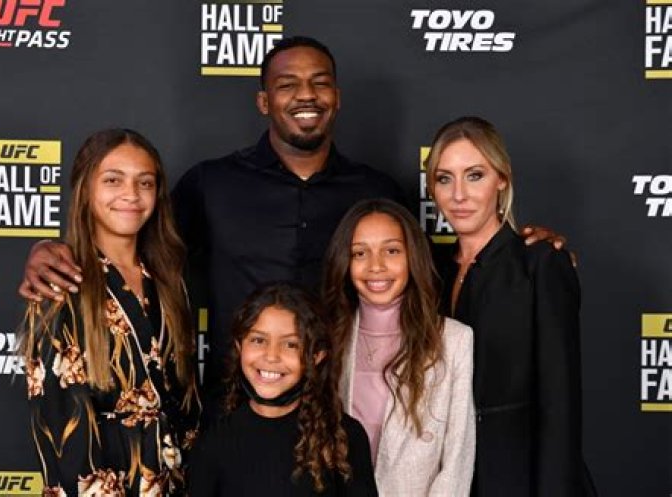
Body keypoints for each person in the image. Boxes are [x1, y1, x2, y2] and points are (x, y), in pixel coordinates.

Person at [17, 37, 404, 415]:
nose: (306, 95)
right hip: (232, 409)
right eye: (288, 85)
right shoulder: (212, 183)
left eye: (319, 83)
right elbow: (135, 239)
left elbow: (414, 283)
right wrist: (50, 247)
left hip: (342, 403)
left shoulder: (375, 191)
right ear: (264, 101)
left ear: (336, 96)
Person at [19, 129, 201, 496]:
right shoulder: (59, 283)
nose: (131, 194)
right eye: (113, 180)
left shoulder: (169, 281)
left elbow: (187, 403)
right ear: (85, 190)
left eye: (144, 182)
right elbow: (62, 429)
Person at [425, 116, 595, 496]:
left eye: (475, 176)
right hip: (450, 479)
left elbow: (560, 405)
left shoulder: (540, 263)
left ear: (502, 179)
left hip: (521, 478)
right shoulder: (430, 273)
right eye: (444, 178)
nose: (459, 195)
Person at [322, 198, 475, 496]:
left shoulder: (453, 340)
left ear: (412, 256)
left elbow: (457, 460)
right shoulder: (328, 338)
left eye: (391, 251)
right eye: (360, 253)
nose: (376, 266)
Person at [186, 282, 378, 496]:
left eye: (290, 345)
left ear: (317, 356)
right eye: (258, 340)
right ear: (240, 347)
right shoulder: (214, 442)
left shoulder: (344, 438)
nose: (271, 356)